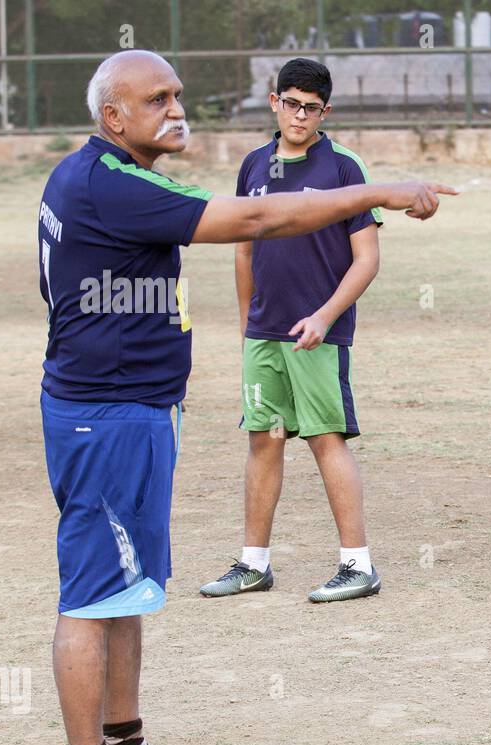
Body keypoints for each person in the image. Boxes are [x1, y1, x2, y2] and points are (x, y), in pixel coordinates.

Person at [39, 49, 455, 745]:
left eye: (178, 94)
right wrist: (380, 192)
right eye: (156, 98)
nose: (175, 108)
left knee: (126, 588)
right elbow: (260, 221)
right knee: (91, 595)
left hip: (127, 408)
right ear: (112, 117)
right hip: (106, 416)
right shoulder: (110, 184)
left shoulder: (99, 176)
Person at [200, 58, 383, 604]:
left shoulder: (344, 167)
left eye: (311, 107)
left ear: (325, 111)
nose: (299, 115)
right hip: (265, 333)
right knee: (265, 440)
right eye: (291, 102)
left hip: (318, 336)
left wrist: (325, 317)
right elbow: (243, 249)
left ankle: (358, 564)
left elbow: (367, 259)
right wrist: (246, 324)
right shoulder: (253, 165)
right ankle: (253, 565)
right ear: (274, 100)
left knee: (326, 438)